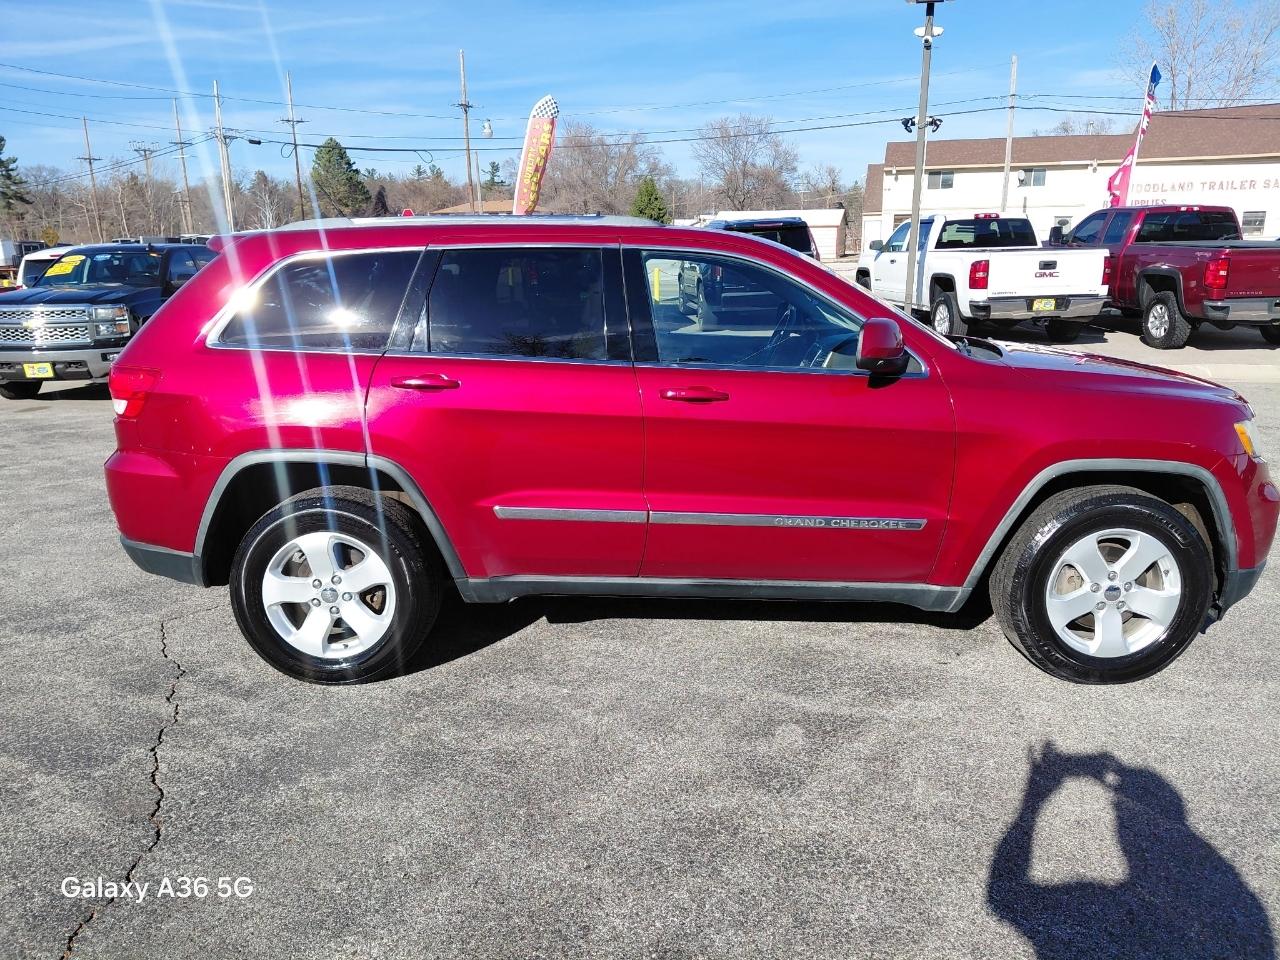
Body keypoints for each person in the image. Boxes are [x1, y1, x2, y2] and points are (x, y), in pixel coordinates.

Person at [988, 743, 1274, 959]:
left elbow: (1005, 893)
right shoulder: (1236, 917)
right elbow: (1004, 897)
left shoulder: (1246, 919)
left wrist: (1033, 802)